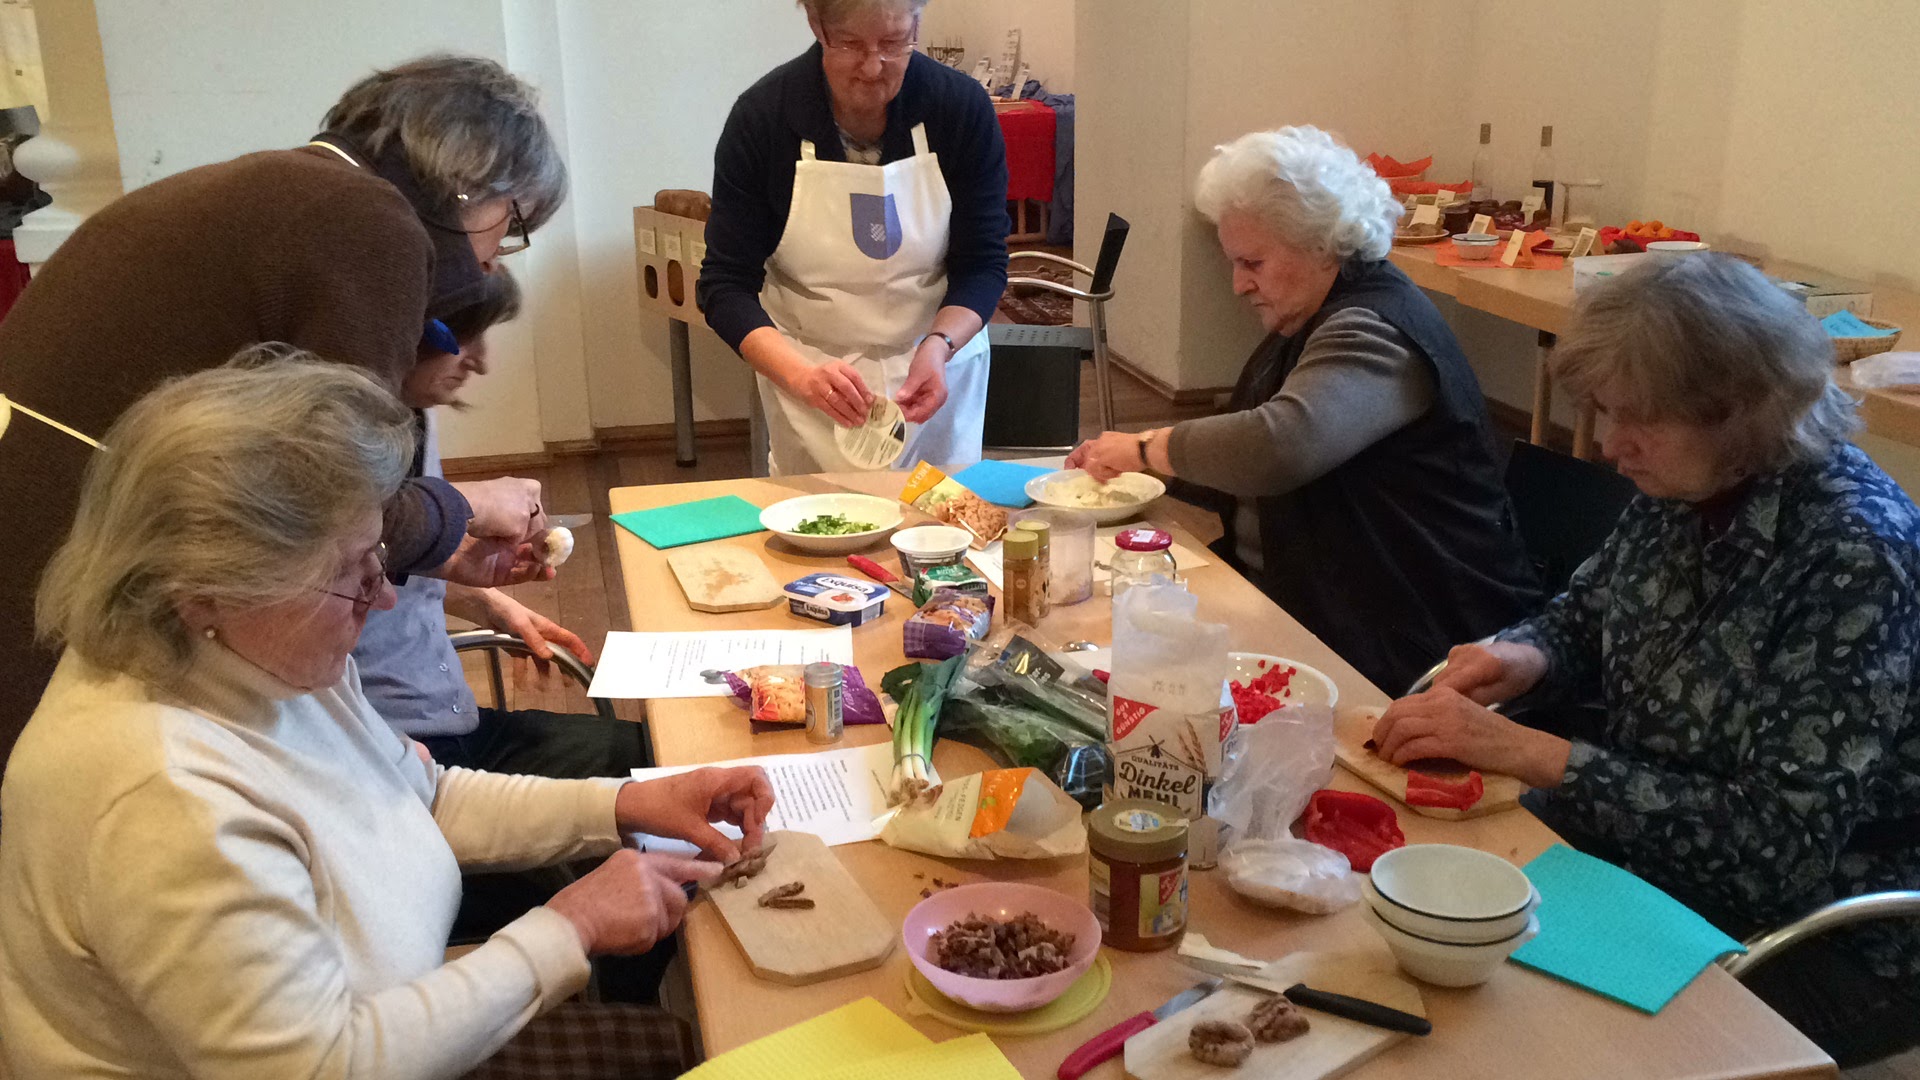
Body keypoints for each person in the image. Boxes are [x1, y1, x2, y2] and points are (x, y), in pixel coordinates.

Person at [0, 357, 773, 1079]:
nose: (385, 596)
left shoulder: (254, 655)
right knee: (695, 1051)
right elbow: (322, 1065)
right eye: (350, 575)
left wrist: (625, 803)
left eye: (377, 558)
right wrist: (567, 929)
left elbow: (426, 796)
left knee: (690, 1037)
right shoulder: (161, 798)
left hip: (374, 1027)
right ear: (205, 590)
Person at [1370, 255, 1920, 1066]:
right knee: (1409, 925)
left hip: (1814, 929)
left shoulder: (1854, 553)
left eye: (1640, 420)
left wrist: (1531, 752)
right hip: (1642, 864)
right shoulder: (1684, 489)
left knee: (1504, 1034)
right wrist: (1524, 657)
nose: (1613, 444)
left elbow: (1775, 848)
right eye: (1603, 411)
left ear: (1740, 413)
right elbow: (1587, 617)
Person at [0, 54, 567, 765]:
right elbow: (337, 507)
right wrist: (469, 507)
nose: (491, 263)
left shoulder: (276, 187)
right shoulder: (367, 221)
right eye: (511, 223)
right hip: (75, 614)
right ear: (465, 184)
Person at [1067, 126, 1539, 693]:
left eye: (1254, 263)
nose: (1239, 285)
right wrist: (1140, 469)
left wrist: (1146, 449)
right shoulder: (1315, 314)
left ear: (1322, 245)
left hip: (1411, 636)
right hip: (1318, 603)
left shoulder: (1373, 331)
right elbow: (1243, 449)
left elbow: (1279, 445)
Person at [699, 0, 1010, 475]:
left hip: (935, 372)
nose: (872, 66)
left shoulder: (958, 107)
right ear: (816, 26)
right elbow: (724, 286)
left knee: (937, 534)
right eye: (850, 44)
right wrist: (799, 374)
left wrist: (940, 344)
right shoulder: (763, 117)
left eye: (893, 43)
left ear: (917, 26)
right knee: (821, 531)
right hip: (813, 381)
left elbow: (983, 263)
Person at [362, 268, 646, 781]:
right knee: (661, 772)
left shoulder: (414, 413)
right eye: (460, 333)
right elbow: (335, 552)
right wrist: (464, 503)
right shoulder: (342, 451)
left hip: (453, 720)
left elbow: (383, 555)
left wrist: (477, 594)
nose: (482, 361)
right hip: (407, 760)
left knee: (660, 758)